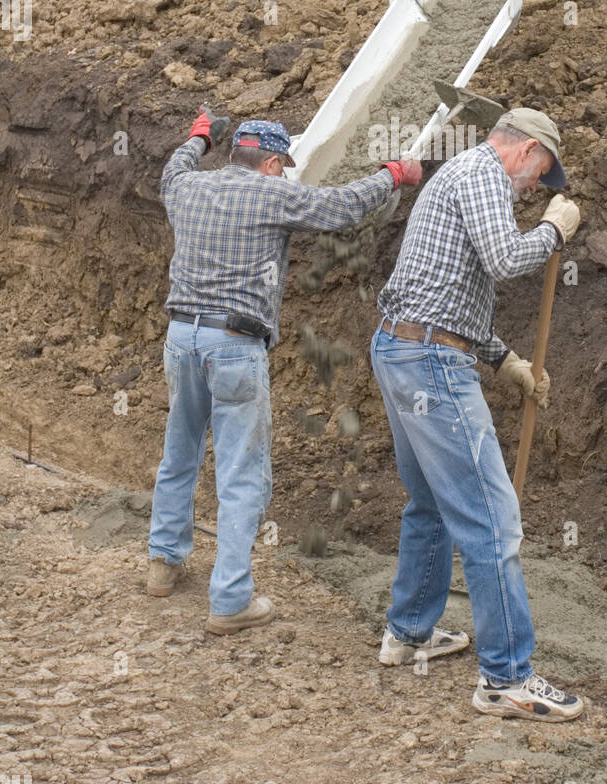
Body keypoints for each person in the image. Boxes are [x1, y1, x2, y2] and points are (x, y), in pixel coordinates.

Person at [148, 109, 421, 635]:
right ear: (271, 164)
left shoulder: (186, 187)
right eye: (284, 166)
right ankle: (229, 600)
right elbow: (339, 207)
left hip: (181, 337)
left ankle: (164, 563)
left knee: (179, 451)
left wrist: (199, 136)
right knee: (241, 475)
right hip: (235, 344)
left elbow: (171, 169)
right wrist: (393, 174)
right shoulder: (270, 194)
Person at [371, 108, 584, 719]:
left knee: (432, 502)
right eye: (538, 176)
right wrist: (553, 231)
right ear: (524, 152)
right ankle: (507, 678)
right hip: (430, 362)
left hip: (403, 347)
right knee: (492, 519)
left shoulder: (461, 174)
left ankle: (409, 631)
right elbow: (505, 260)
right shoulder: (486, 174)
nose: (534, 190)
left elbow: (449, 291)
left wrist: (507, 361)